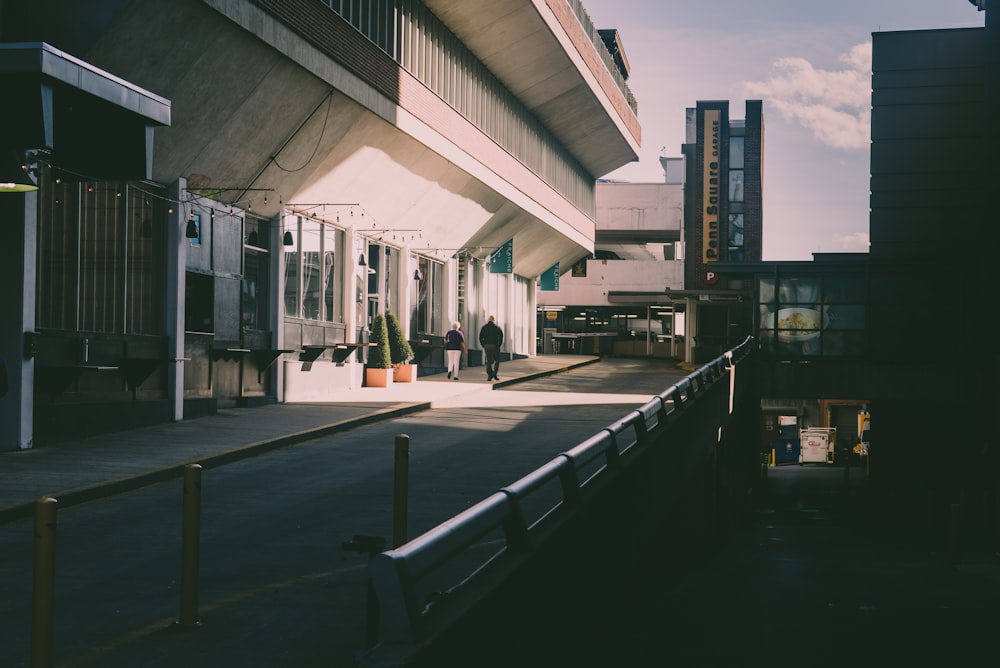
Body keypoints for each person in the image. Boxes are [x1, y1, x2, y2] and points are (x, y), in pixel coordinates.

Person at [478, 315, 504, 381]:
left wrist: (483, 345)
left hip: (487, 346)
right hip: (495, 345)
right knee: (497, 360)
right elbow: (501, 337)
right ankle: (495, 373)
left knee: (489, 361)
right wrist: (499, 345)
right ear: (494, 320)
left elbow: (480, 337)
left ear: (488, 320)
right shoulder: (497, 327)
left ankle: (489, 375)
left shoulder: (484, 327)